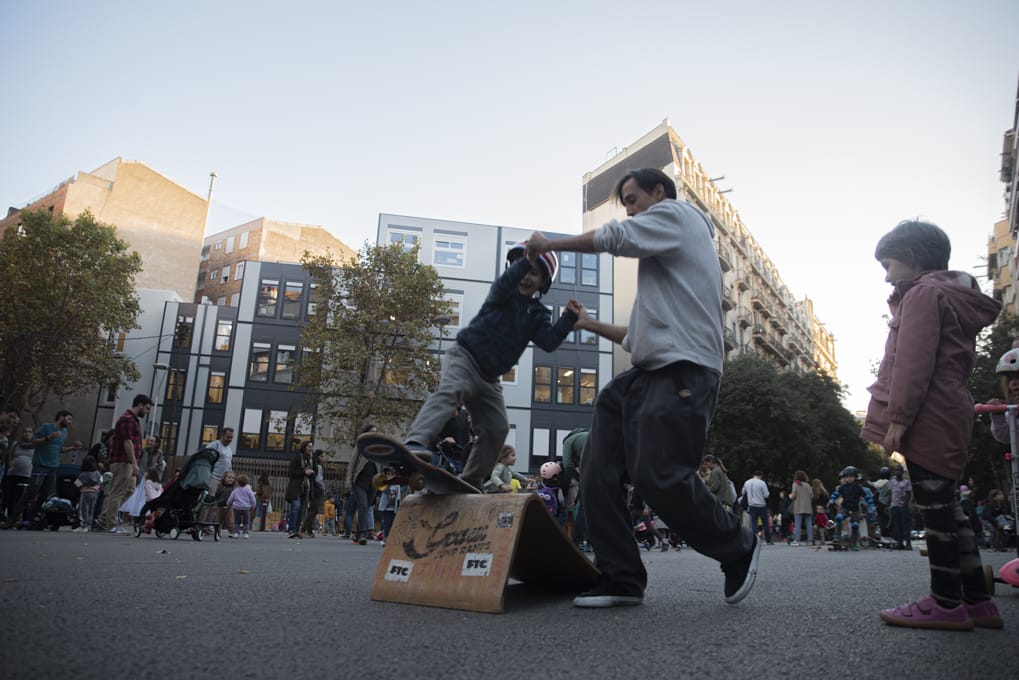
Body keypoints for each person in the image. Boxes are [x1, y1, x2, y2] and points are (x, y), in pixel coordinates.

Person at [527, 168, 759, 608]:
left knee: (658, 475)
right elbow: (635, 337)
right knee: (597, 470)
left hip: (685, 371)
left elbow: (615, 238)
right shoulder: (666, 269)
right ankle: (622, 577)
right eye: (626, 204)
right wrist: (587, 323)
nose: (630, 211)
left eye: (633, 200)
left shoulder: (680, 216)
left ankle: (737, 544)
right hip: (645, 373)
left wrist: (549, 245)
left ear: (659, 192)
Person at [861, 219, 1003, 631]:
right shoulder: (947, 294)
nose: (886, 276)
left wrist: (898, 420)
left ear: (911, 258)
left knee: (937, 516)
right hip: (951, 409)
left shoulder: (924, 295)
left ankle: (945, 603)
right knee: (950, 512)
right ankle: (977, 601)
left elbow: (913, 363)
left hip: (927, 413)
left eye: (888, 265)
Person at [400, 241, 577, 491]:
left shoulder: (538, 314)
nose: (526, 276)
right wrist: (529, 259)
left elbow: (548, 342)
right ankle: (416, 443)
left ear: (543, 282)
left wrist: (568, 318)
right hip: (465, 357)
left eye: (534, 273)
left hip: (490, 379)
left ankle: (471, 479)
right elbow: (506, 281)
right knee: (451, 391)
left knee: (497, 427)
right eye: (521, 268)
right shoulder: (502, 293)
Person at [101, 396, 152, 533]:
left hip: (127, 462)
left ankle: (105, 516)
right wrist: (134, 463)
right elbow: (127, 442)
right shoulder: (128, 419)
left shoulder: (133, 420)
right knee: (118, 492)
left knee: (130, 489)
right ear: (140, 405)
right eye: (147, 408)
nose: (147, 411)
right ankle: (110, 524)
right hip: (123, 461)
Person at [29, 410, 82, 522]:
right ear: (61, 417)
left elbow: (59, 449)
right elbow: (33, 441)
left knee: (46, 494)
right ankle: (14, 518)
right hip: (40, 464)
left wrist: (73, 448)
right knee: (31, 491)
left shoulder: (64, 432)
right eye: (68, 419)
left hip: (53, 466)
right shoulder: (46, 427)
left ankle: (33, 518)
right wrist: (49, 437)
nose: (70, 422)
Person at [346, 425, 378, 545]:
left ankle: (358, 534)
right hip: (359, 482)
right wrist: (349, 482)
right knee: (363, 506)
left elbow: (382, 464)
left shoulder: (379, 447)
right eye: (372, 431)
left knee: (366, 507)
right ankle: (362, 534)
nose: (374, 434)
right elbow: (352, 464)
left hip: (373, 483)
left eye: (375, 432)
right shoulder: (360, 446)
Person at [561, 427, 589, 550]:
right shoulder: (589, 434)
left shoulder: (568, 441)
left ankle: (576, 543)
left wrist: (578, 477)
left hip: (590, 466)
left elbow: (567, 464)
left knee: (584, 508)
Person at [2, 426, 36, 528]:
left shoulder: (35, 446)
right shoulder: (16, 444)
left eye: (30, 432)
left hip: (27, 475)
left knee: (24, 497)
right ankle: (10, 519)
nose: (27, 434)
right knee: (11, 497)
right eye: (25, 431)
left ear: (32, 434)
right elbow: (10, 456)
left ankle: (24, 519)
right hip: (13, 474)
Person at [286, 441, 315, 539]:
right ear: (304, 447)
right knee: (296, 507)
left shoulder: (311, 459)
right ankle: (292, 529)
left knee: (302, 509)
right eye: (309, 446)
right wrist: (304, 472)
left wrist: (312, 472)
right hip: (296, 487)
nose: (311, 448)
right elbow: (291, 472)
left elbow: (315, 472)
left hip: (306, 487)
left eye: (312, 446)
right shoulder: (298, 457)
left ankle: (296, 530)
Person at [741, 471, 772, 545]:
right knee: (765, 523)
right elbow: (766, 495)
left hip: (751, 505)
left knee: (754, 523)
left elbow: (743, 492)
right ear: (760, 476)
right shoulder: (762, 483)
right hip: (761, 505)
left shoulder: (747, 482)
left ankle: (755, 540)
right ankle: (768, 540)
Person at [73, 455, 102, 533]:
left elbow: (77, 484)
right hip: (95, 493)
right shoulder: (97, 473)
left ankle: (83, 525)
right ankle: (89, 525)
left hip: (85, 492)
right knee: (91, 510)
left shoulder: (83, 474)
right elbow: (101, 482)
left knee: (83, 509)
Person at [300, 449, 325, 538]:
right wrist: (323, 488)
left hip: (312, 490)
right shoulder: (318, 467)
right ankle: (304, 529)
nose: (323, 458)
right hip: (317, 490)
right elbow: (319, 479)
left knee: (312, 510)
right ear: (317, 457)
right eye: (321, 456)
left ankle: (309, 530)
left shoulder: (313, 466)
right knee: (313, 510)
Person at [887, 465, 913, 550]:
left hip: (903, 506)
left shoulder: (906, 482)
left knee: (905, 525)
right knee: (897, 526)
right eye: (896, 470)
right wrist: (887, 505)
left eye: (899, 470)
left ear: (902, 472)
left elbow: (909, 494)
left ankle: (908, 544)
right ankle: (900, 543)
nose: (897, 472)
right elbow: (890, 493)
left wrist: (904, 504)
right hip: (894, 506)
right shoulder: (892, 482)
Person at [227, 473, 257, 539]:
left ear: (237, 482)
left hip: (237, 508)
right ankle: (245, 533)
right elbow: (252, 498)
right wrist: (253, 506)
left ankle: (236, 533)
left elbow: (230, 499)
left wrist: (228, 504)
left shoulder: (235, 490)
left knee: (237, 521)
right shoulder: (248, 490)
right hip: (246, 508)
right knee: (246, 521)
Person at [789, 470, 814, 546]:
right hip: (808, 507)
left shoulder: (795, 484)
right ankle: (810, 540)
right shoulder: (808, 485)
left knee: (798, 524)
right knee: (809, 524)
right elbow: (812, 496)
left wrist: (790, 496)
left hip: (799, 506)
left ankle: (797, 540)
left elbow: (793, 496)